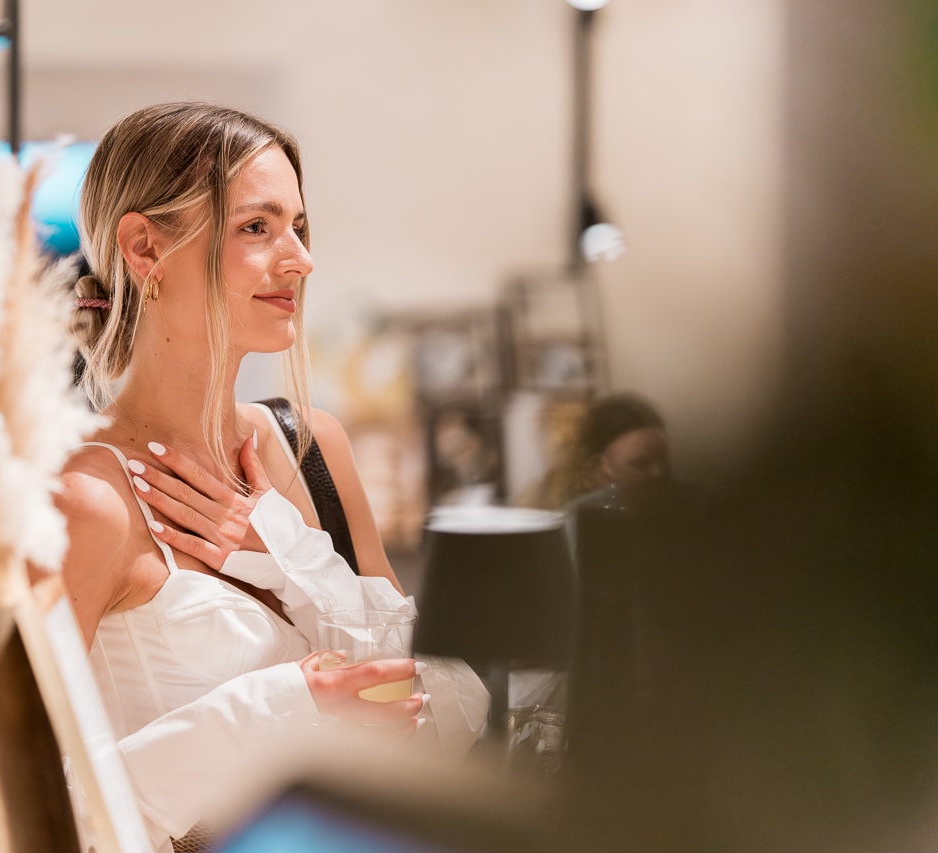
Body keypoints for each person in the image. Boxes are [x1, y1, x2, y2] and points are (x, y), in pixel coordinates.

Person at [50, 102, 487, 852]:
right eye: (257, 226)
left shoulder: (314, 448)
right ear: (145, 247)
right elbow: (41, 808)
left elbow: (450, 711)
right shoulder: (86, 499)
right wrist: (282, 705)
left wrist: (287, 554)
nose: (300, 259)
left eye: (299, 227)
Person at [517, 391, 670, 511]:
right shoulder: (568, 527)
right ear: (594, 470)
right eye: (640, 465)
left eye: (663, 461)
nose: (658, 474)